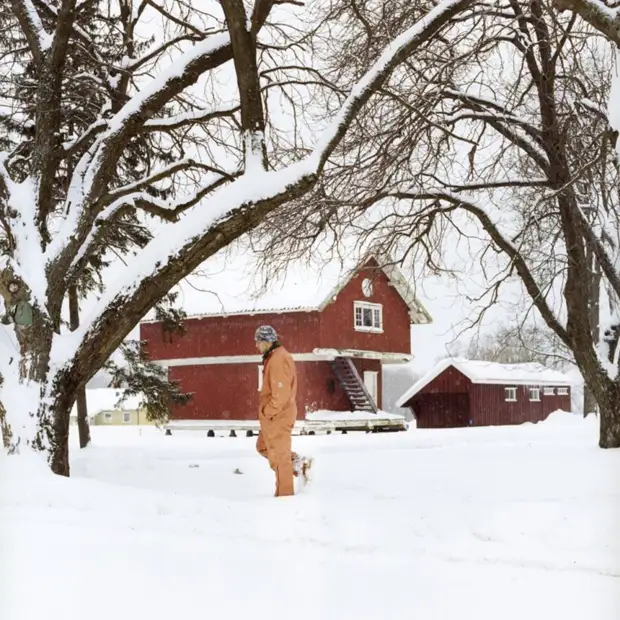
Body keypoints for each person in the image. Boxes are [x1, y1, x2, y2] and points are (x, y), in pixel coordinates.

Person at [254, 325, 312, 496]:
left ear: (267, 341)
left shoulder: (278, 359)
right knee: (263, 446)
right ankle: (299, 463)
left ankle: (284, 498)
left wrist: (268, 411)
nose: (256, 345)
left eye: (258, 341)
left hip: (278, 415)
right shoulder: (273, 357)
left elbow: (281, 393)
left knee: (280, 459)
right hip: (273, 416)